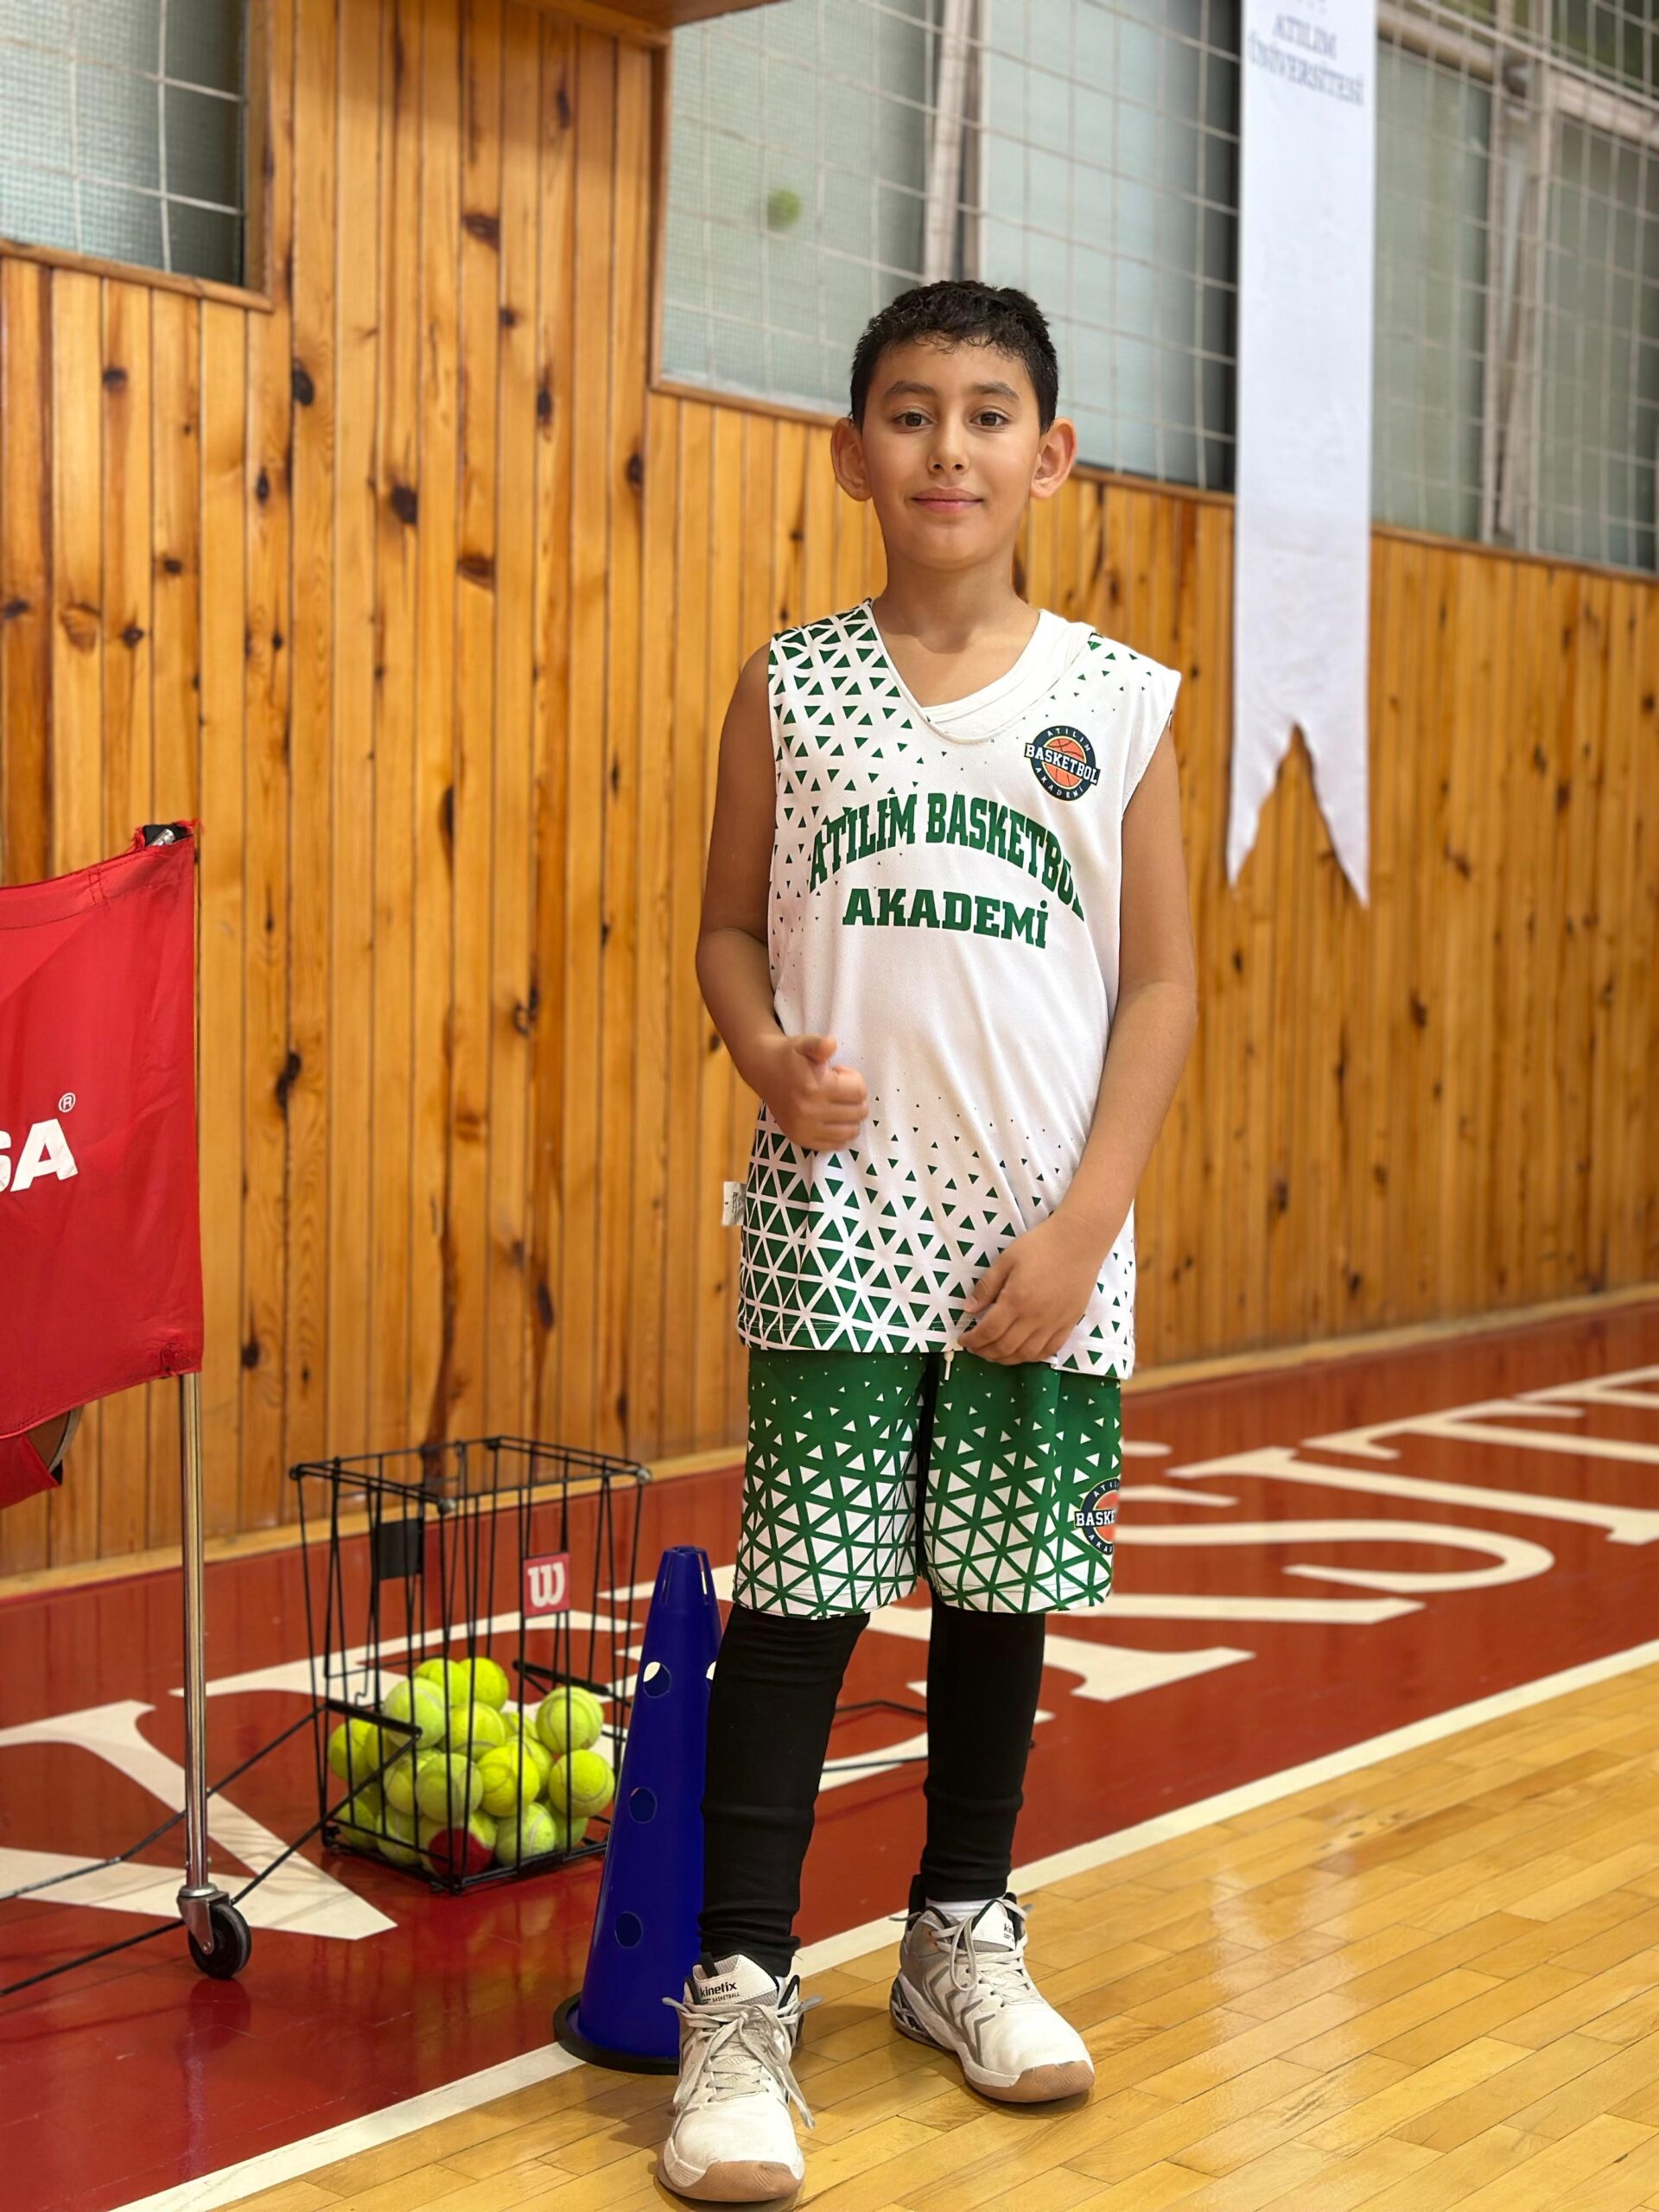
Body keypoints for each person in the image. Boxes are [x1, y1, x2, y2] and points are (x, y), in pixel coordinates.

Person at [660, 280, 1197, 2204]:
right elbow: (729, 927)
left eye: (986, 413)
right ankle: (740, 1989)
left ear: (1051, 456)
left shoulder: (1117, 701)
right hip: (838, 1225)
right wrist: (760, 1051)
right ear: (850, 454)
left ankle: (959, 1927)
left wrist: (1091, 1220)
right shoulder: (791, 684)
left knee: (994, 1591)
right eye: (909, 411)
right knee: (801, 1600)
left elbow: (1161, 983)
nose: (947, 446)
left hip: (1038, 1235)